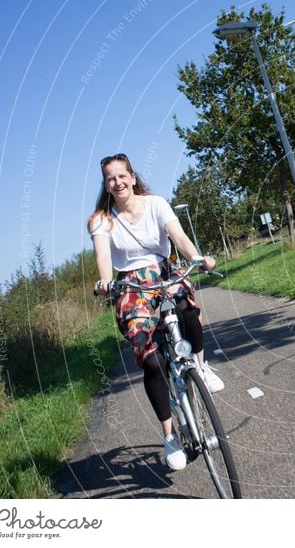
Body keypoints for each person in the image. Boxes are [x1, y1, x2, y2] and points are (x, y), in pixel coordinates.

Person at [87, 152, 223, 471]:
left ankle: (201, 367)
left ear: (133, 177)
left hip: (164, 272)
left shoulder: (157, 204)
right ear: (106, 185)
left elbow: (178, 237)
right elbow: (103, 259)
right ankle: (170, 436)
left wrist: (198, 257)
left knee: (188, 310)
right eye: (111, 178)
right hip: (131, 286)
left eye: (122, 175)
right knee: (153, 361)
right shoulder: (101, 221)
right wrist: (106, 282)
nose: (118, 182)